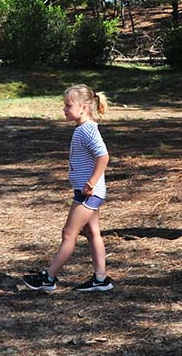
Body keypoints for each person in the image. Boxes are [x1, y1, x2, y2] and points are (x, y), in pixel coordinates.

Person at [22, 85, 114, 293]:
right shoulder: (82, 129)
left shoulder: (88, 130)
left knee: (68, 234)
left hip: (89, 193)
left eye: (68, 105)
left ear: (83, 107)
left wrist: (91, 183)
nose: (64, 109)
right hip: (90, 192)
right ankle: (101, 279)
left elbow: (104, 156)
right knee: (92, 232)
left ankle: (49, 277)